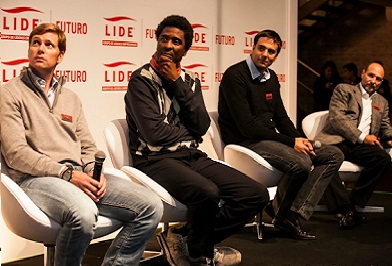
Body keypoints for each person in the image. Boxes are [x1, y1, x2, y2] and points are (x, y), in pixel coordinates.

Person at [0, 23, 163, 266]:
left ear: (60, 56)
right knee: (84, 214)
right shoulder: (10, 93)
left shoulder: (71, 98)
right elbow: (16, 154)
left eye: (49, 45)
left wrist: (91, 171)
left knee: (151, 206)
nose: (40, 49)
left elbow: (87, 145)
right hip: (33, 179)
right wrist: (67, 174)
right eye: (36, 43)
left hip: (75, 174)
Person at [125, 15, 269, 266]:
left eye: (176, 42)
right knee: (207, 192)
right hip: (155, 160)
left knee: (255, 194)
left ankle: (185, 239)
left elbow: (202, 126)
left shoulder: (189, 81)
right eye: (164, 39)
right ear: (157, 41)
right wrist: (188, 132)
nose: (168, 45)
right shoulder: (141, 80)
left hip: (191, 156)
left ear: (186, 49)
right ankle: (197, 252)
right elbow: (154, 135)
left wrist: (176, 83)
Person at [218, 30, 344, 240]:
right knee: (302, 163)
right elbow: (247, 127)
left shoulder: (271, 77)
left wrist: (300, 139)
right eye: (262, 48)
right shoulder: (235, 76)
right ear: (253, 47)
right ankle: (284, 215)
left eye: (271, 52)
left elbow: (281, 118)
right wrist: (291, 142)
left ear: (276, 56)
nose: (265, 54)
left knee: (333, 154)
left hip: (267, 139)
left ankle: (289, 212)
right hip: (245, 143)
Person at [315, 61, 392, 229]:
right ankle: (346, 209)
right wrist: (362, 137)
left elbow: (384, 125)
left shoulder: (382, 102)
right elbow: (337, 119)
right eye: (371, 75)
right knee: (326, 160)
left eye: (378, 79)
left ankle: (352, 205)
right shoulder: (344, 90)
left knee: (382, 158)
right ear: (362, 74)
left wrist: (391, 136)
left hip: (359, 147)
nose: (373, 81)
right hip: (337, 139)